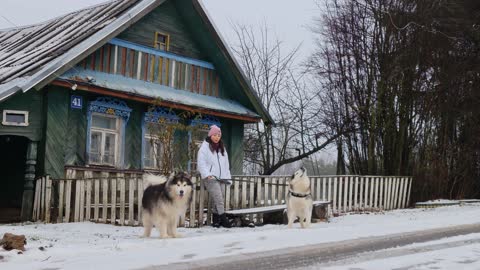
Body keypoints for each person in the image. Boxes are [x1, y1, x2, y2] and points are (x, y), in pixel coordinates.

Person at [197, 125, 232, 228]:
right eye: (215, 135)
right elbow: (201, 163)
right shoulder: (205, 148)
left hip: (221, 178)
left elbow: (226, 164)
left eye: (219, 135)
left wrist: (227, 177)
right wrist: (207, 174)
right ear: (210, 135)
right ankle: (224, 219)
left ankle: (216, 221)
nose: (217, 137)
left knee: (219, 197)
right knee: (218, 198)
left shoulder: (222, 148)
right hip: (210, 178)